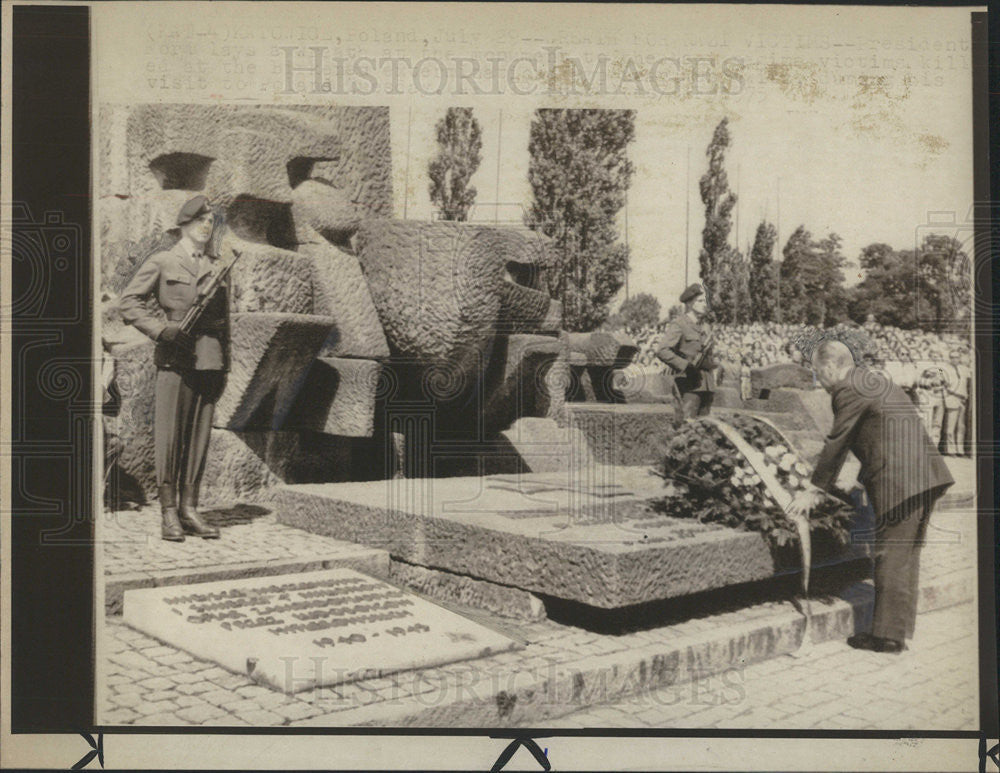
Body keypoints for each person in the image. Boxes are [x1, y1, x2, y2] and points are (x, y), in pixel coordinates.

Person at [788, 340, 953, 653]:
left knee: (890, 555)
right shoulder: (872, 379)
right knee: (903, 557)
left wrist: (816, 488)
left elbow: (838, 440)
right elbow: (881, 434)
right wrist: (861, 478)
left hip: (900, 479)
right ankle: (893, 631)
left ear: (831, 366)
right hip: (922, 474)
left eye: (818, 373)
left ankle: (886, 637)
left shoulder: (847, 388)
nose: (818, 381)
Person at [120, 195, 230, 542]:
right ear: (183, 225)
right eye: (199, 222)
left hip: (210, 359)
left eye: (210, 222)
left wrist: (226, 362)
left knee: (198, 438)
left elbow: (226, 322)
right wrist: (160, 330)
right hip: (175, 357)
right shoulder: (164, 261)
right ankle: (168, 512)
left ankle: (189, 508)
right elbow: (129, 302)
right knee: (170, 435)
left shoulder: (217, 266)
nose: (205, 228)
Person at [655, 283, 717, 421]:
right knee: (687, 429)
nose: (705, 304)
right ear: (690, 303)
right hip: (689, 386)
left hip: (707, 385)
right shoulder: (680, 324)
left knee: (707, 429)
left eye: (705, 300)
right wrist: (685, 366)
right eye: (700, 301)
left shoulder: (705, 326)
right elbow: (662, 350)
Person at [941, 349, 971, 456]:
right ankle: (950, 449)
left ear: (960, 358)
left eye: (957, 357)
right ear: (949, 358)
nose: (955, 359)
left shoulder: (964, 369)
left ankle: (960, 449)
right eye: (952, 357)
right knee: (950, 426)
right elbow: (940, 374)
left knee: (961, 426)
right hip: (952, 397)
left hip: (963, 399)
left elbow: (968, 382)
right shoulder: (945, 368)